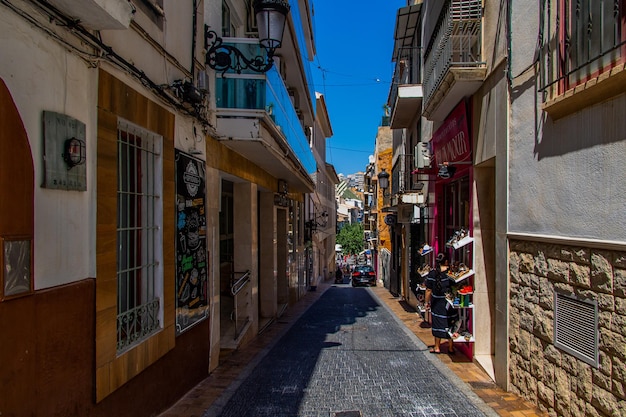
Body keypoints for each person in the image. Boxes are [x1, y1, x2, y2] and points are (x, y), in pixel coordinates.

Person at [424, 253, 459, 354]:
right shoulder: (450, 274)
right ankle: (451, 347)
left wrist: (426, 302)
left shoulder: (432, 274)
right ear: (447, 261)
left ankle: (437, 347)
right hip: (449, 302)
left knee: (438, 323)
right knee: (450, 323)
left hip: (437, 303)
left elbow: (428, 290)